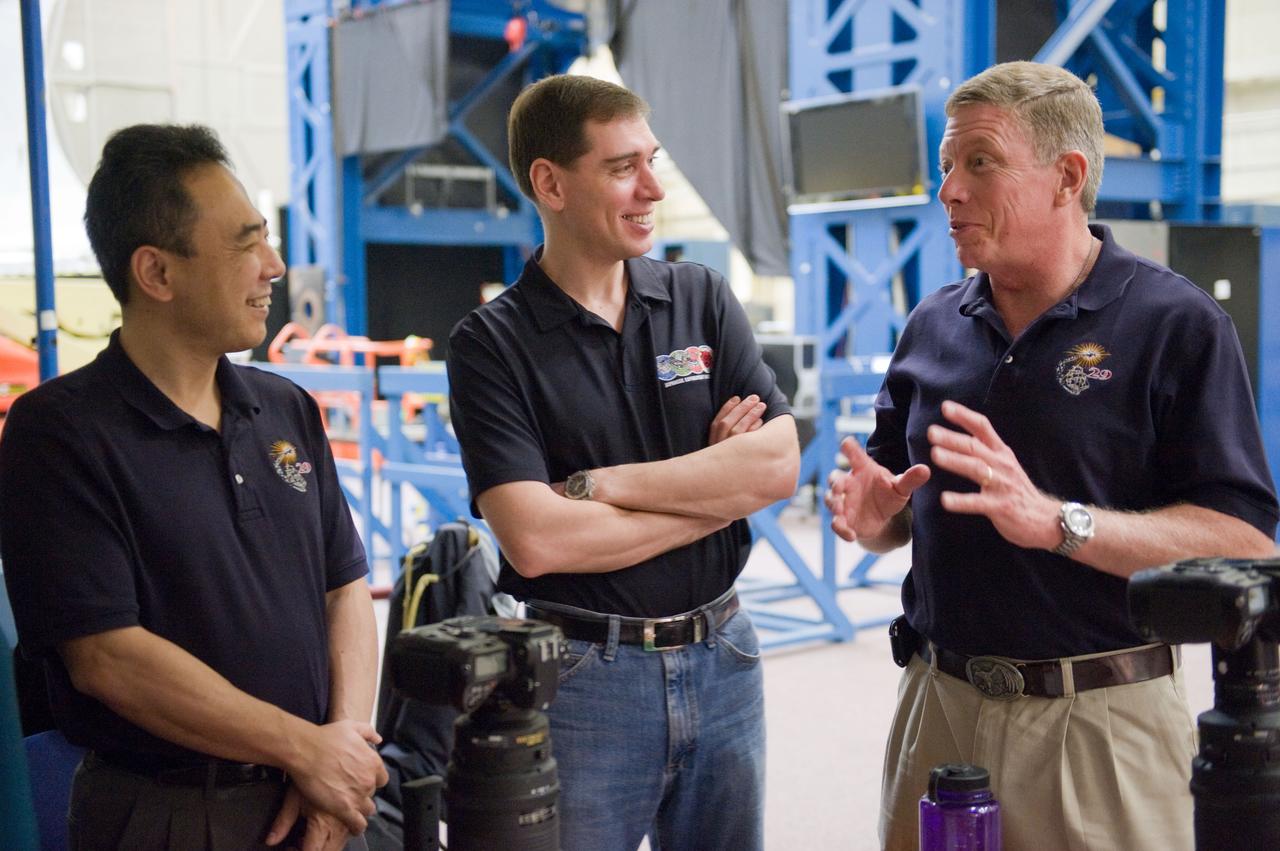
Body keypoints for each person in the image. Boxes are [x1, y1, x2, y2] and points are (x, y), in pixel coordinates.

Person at [825, 61, 1279, 850]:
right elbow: (894, 514)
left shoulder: (1176, 323)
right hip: (939, 711)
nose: (949, 192)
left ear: (1067, 176)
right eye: (945, 167)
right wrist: (873, 522)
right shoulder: (930, 327)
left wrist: (1059, 523)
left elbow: (1246, 544)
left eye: (980, 163)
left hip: (1101, 724)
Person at [0, 124, 388, 851]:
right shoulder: (59, 434)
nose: (273, 265)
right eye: (245, 244)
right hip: (172, 814)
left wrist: (336, 743)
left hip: (321, 800)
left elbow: (346, 588)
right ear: (157, 273)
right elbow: (108, 657)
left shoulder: (285, 408)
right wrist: (304, 746)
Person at [446, 74, 799, 851]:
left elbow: (775, 467)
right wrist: (715, 487)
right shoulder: (491, 346)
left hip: (726, 655)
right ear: (550, 183)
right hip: (586, 679)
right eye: (622, 168)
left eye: (653, 160)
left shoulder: (700, 298)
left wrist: (601, 489)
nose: (654, 188)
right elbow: (538, 541)